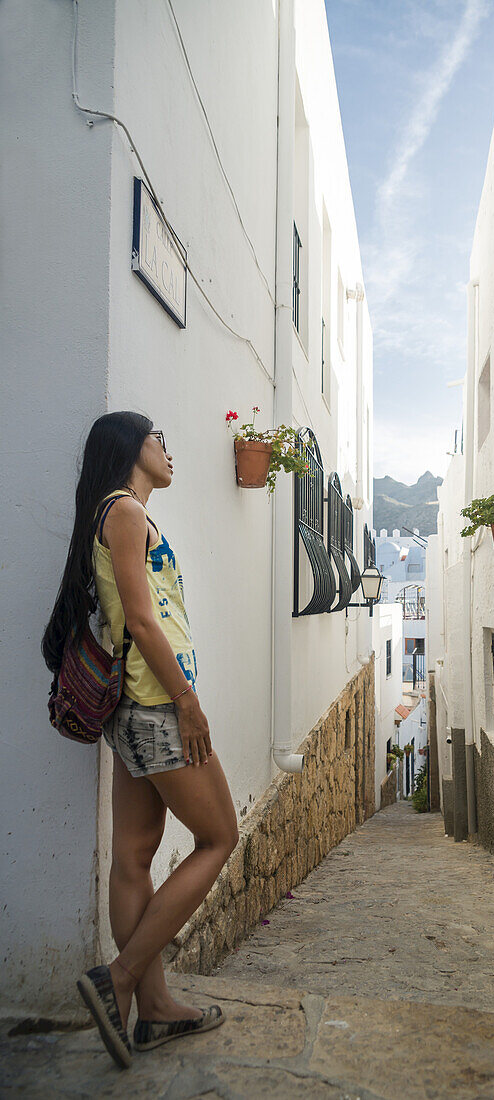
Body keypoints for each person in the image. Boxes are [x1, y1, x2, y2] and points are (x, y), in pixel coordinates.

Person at [42, 411, 239, 1069]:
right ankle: (121, 978)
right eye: (160, 437)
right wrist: (188, 704)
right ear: (131, 447)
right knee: (220, 838)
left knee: (134, 854)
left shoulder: (113, 512)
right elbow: (146, 624)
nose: (168, 448)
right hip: (157, 705)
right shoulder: (124, 511)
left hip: (129, 708)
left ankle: (153, 1013)